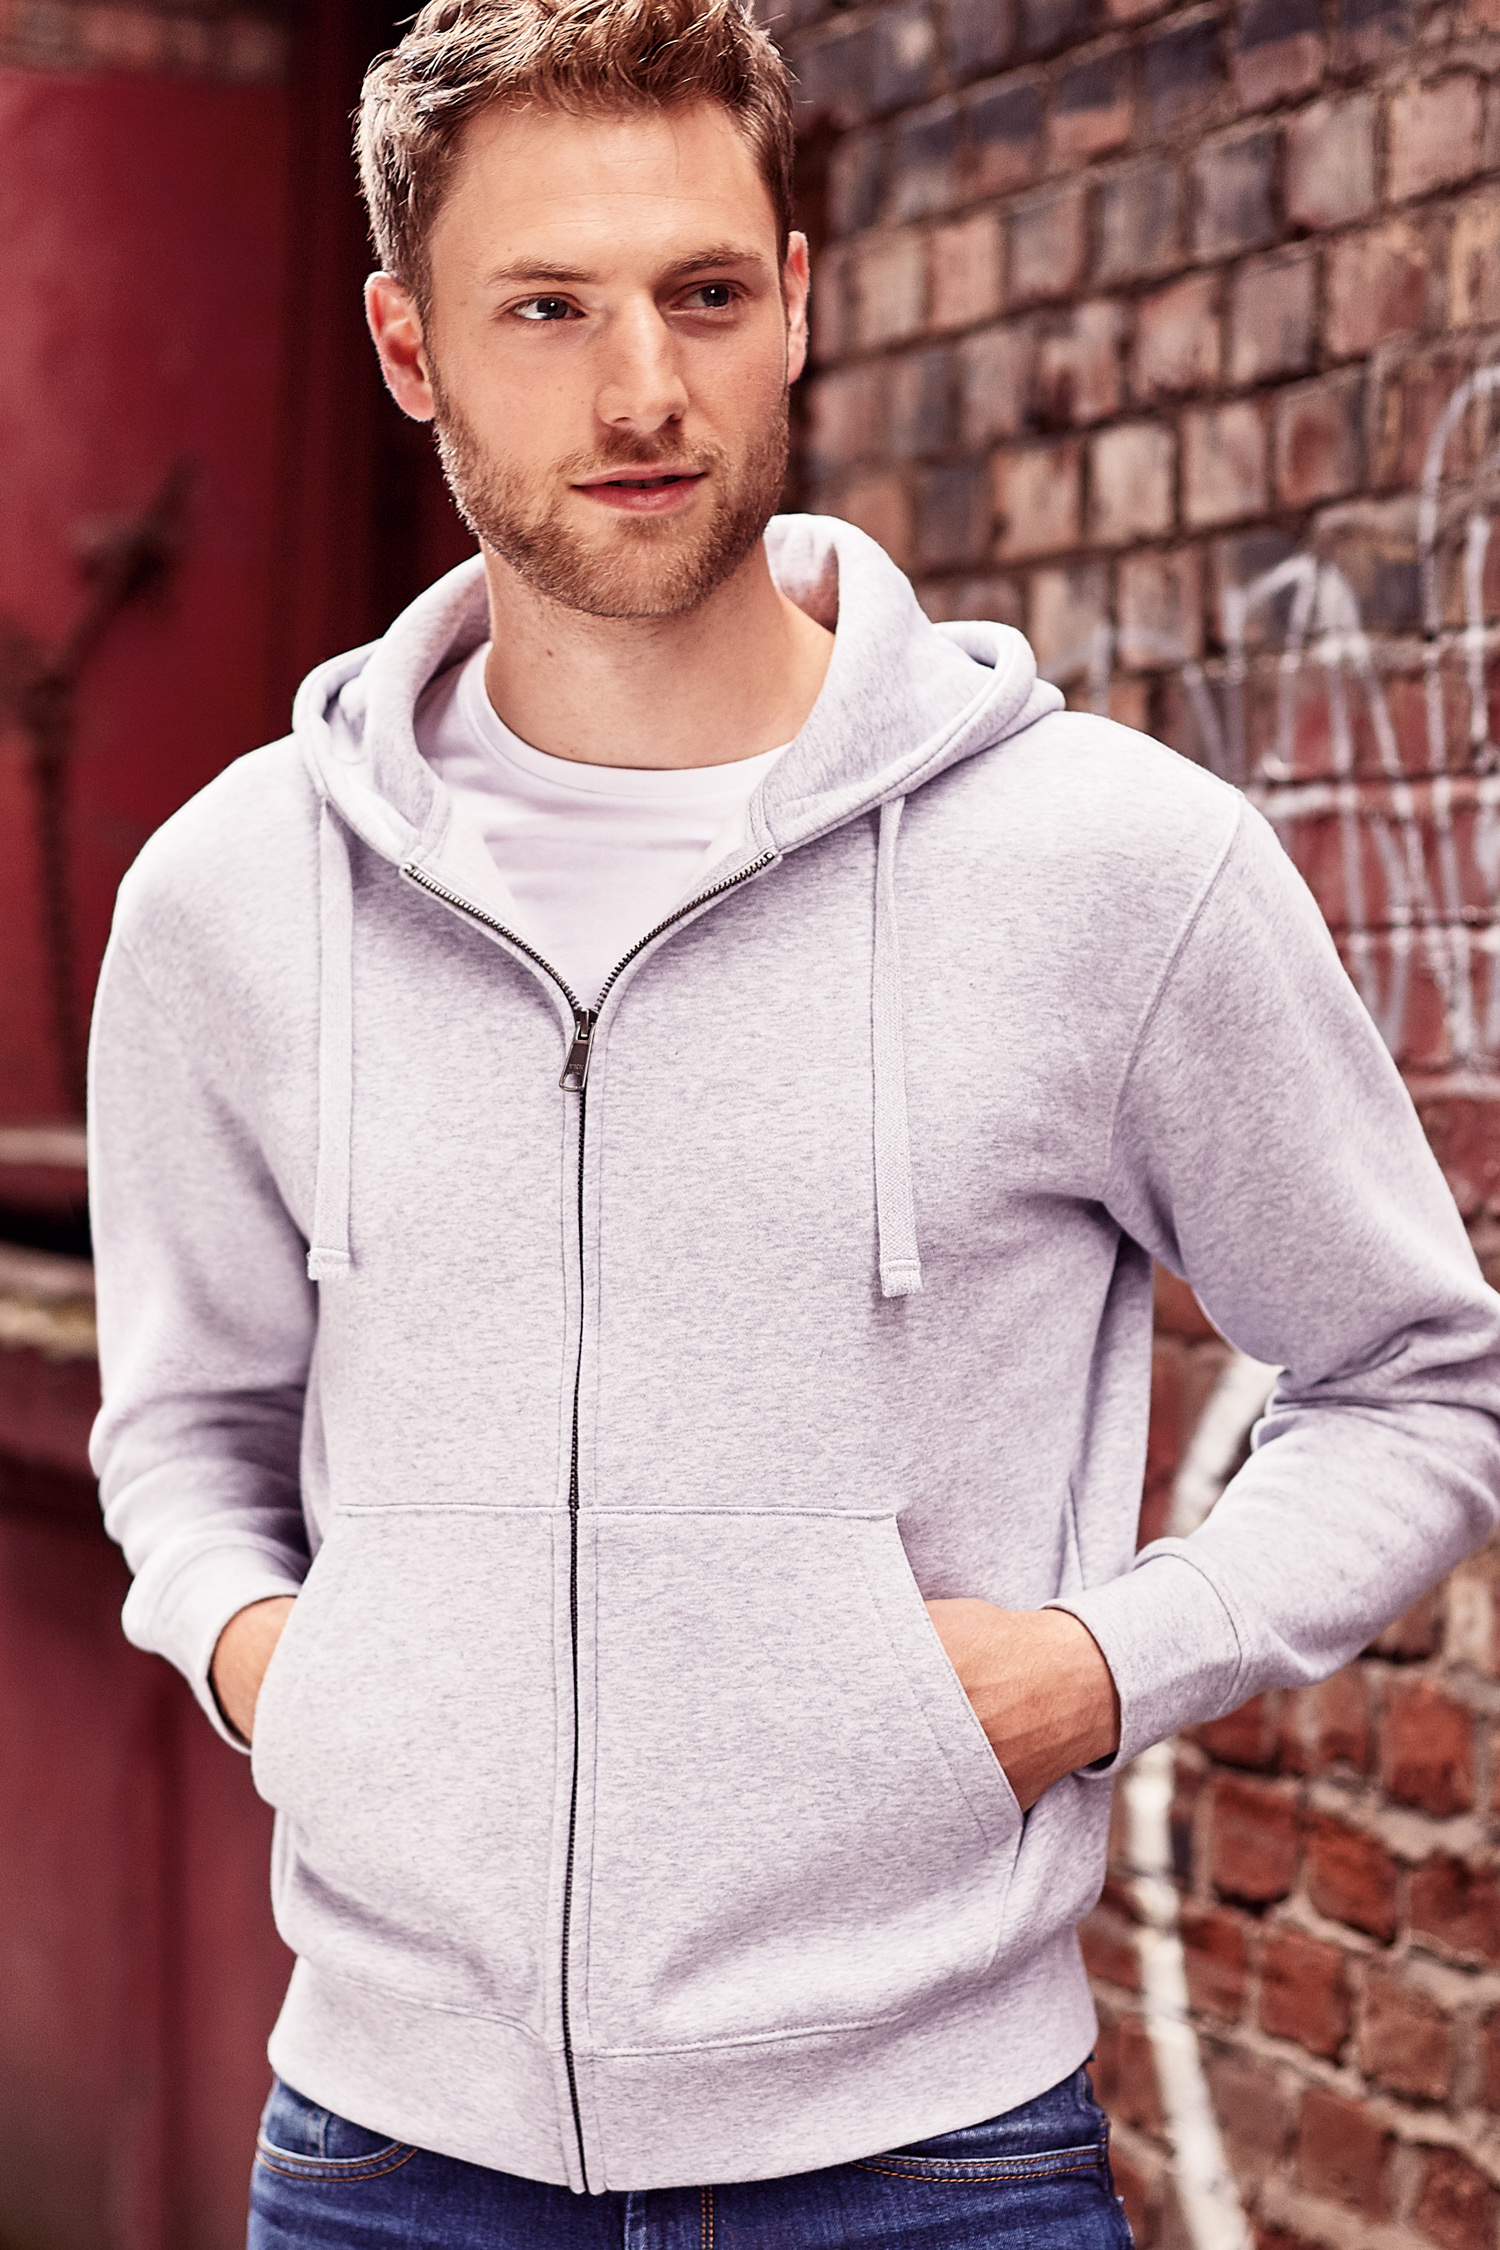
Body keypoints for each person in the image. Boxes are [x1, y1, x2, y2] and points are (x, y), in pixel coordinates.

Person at [87, 1, 1500, 2243]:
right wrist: (289, 1671)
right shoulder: (234, 900)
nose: (642, 385)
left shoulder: (1110, 866)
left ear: (800, 304)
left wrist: (1093, 1673)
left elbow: (1419, 1380)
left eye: (705, 292)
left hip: (929, 2164)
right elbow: (184, 1428)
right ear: (406, 346)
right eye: (547, 308)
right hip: (383, 2156)